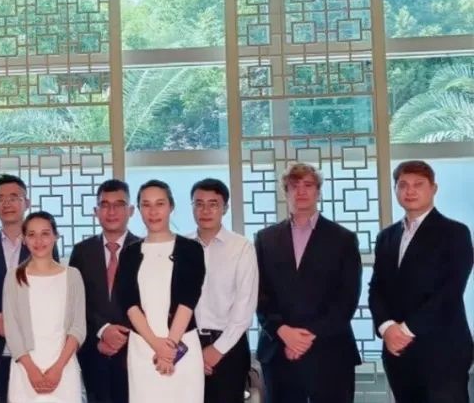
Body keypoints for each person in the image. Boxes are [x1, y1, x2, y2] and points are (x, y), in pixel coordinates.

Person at [255, 163, 361, 403]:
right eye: (294, 186)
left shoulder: (343, 239)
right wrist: (283, 332)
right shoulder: (266, 239)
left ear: (318, 192)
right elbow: (258, 294)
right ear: (285, 192)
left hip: (330, 350)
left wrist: (305, 338)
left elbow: (347, 298)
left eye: (308, 185)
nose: (301, 191)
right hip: (278, 350)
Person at [369, 160, 473, 403]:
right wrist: (386, 328)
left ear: (433, 189)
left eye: (418, 184)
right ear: (395, 189)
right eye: (403, 185)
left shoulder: (455, 232)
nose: (410, 191)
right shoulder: (387, 236)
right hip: (397, 349)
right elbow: (376, 288)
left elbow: (450, 291)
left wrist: (406, 330)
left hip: (442, 349)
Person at [116, 179, 206, 402]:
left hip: (182, 345)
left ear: (171, 206)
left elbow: (188, 300)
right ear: (138, 209)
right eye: (146, 205)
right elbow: (129, 303)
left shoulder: (191, 249)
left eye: (160, 204)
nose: (153, 211)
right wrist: (157, 345)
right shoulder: (129, 253)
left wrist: (170, 348)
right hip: (143, 346)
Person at [0, 174, 59, 403]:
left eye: (14, 197)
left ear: (27, 202)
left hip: (37, 342)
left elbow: (51, 292)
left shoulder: (42, 245)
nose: (7, 203)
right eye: (0, 199)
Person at [68, 179, 139, 403]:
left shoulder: (143, 250)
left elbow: (151, 302)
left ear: (131, 210)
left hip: (135, 351)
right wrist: (102, 331)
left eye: (119, 204)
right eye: (105, 205)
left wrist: (122, 337)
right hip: (93, 351)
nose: (111, 211)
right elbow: (74, 302)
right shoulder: (82, 252)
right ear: (96, 211)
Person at [3, 211, 85, 402]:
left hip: (64, 368)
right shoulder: (14, 277)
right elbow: (12, 329)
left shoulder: (72, 275)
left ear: (56, 236)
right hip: (25, 370)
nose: (39, 241)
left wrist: (58, 368)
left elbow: (78, 327)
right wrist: (31, 370)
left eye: (45, 233)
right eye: (32, 235)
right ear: (24, 239)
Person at [188, 179, 257, 403]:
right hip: (187, 347)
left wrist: (216, 350)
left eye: (213, 204)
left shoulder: (242, 247)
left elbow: (245, 306)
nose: (205, 210)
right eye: (199, 204)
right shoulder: (181, 246)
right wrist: (190, 350)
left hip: (229, 348)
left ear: (225, 208)